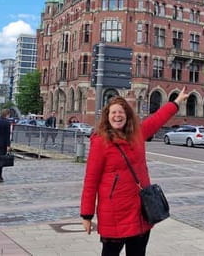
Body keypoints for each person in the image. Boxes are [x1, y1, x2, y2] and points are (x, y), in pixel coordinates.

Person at [80, 87, 189, 256]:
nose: (117, 116)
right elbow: (91, 180)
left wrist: (176, 101)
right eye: (113, 112)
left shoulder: (137, 134)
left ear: (127, 115)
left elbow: (157, 119)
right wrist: (87, 215)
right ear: (107, 116)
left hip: (140, 210)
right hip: (114, 212)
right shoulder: (100, 142)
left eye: (121, 112)